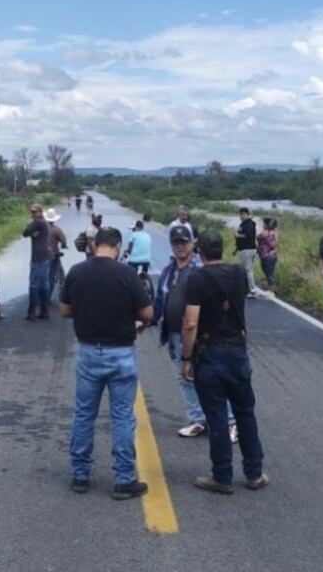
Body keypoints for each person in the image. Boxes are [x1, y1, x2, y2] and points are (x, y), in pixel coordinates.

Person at [60, 227, 153, 500]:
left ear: (94, 244)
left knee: (84, 414)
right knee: (123, 416)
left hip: (89, 351)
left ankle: (80, 475)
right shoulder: (126, 274)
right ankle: (124, 479)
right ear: (118, 246)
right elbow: (147, 312)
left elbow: (65, 310)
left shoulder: (77, 272)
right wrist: (133, 320)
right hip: (121, 353)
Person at [181, 232, 268, 494]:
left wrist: (187, 358)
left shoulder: (196, 278)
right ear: (222, 249)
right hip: (238, 349)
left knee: (217, 417)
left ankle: (222, 476)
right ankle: (254, 473)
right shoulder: (239, 272)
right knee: (245, 413)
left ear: (200, 252)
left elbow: (191, 322)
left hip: (210, 352)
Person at [152, 225, 237, 440]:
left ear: (193, 244)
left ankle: (229, 422)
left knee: (211, 379)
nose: (180, 247)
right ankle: (198, 420)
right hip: (173, 334)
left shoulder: (201, 270)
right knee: (184, 379)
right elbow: (160, 302)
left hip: (199, 335)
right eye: (176, 243)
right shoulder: (168, 271)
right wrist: (145, 321)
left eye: (184, 242)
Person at [22, 203, 53, 320]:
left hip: (38, 256)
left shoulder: (39, 222)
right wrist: (31, 231)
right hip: (45, 255)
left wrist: (30, 229)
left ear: (40, 212)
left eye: (35, 212)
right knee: (44, 283)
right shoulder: (44, 223)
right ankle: (44, 311)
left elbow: (25, 232)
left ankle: (32, 312)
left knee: (34, 284)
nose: (33, 214)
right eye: (32, 212)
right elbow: (28, 231)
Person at [234, 207, 259, 297]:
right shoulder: (243, 224)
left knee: (248, 269)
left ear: (248, 215)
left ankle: (252, 290)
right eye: (241, 214)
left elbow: (249, 235)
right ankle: (247, 288)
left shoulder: (250, 224)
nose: (242, 216)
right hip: (243, 249)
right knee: (246, 269)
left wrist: (238, 235)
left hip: (248, 249)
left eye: (244, 214)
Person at [45, 208, 67, 301]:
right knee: (53, 275)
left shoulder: (42, 229)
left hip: (42, 255)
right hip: (53, 255)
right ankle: (49, 297)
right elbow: (64, 241)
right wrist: (63, 245)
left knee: (43, 275)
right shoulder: (57, 230)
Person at [258, 217, 279, 292]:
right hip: (273, 255)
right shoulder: (275, 233)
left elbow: (258, 237)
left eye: (263, 223)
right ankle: (271, 289)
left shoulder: (265, 232)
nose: (262, 225)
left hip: (266, 256)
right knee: (271, 273)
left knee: (268, 274)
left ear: (267, 224)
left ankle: (271, 291)